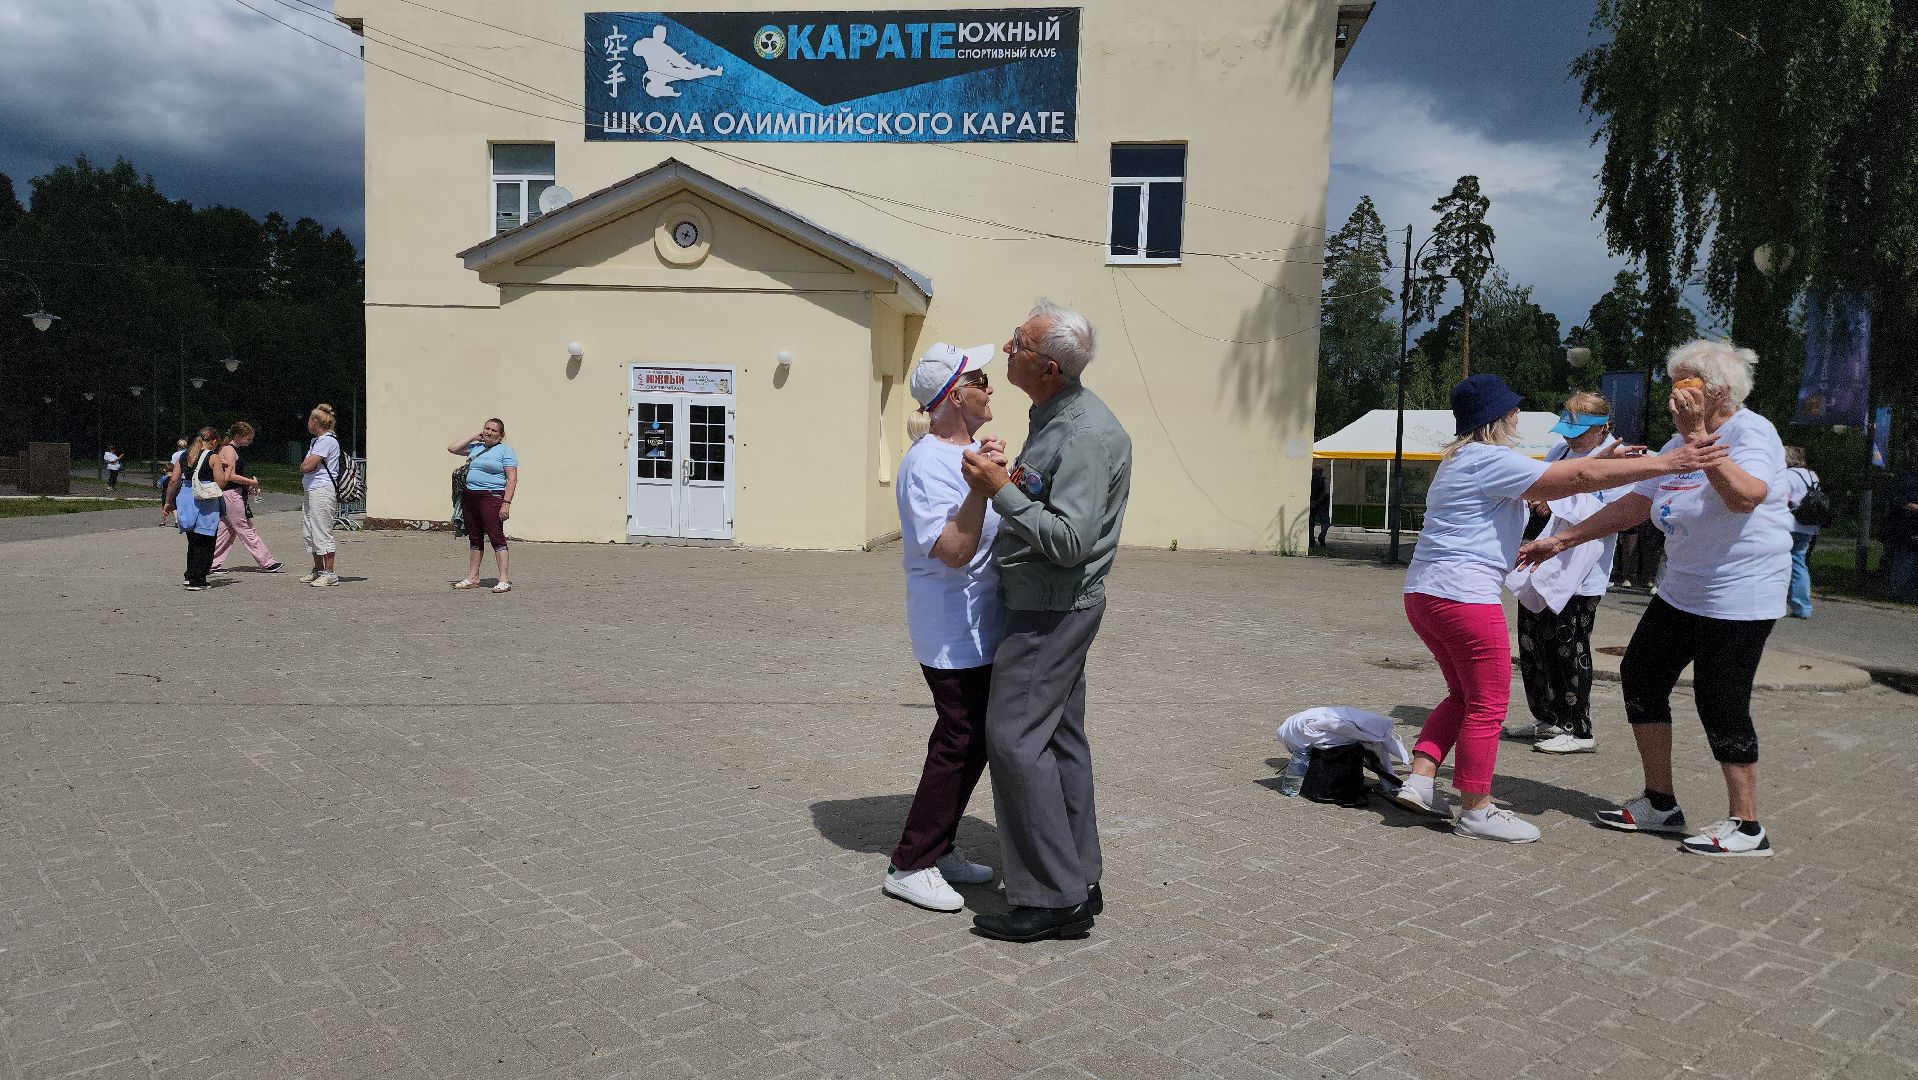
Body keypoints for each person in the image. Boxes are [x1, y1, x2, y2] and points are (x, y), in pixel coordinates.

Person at [1390, 373, 1725, 844]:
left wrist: (1601, 458)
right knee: (1488, 705)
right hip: (1464, 596)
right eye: (1513, 409)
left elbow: (1555, 481)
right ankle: (1476, 809)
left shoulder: (1462, 459)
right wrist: (1669, 462)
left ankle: (1421, 780)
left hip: (1425, 594)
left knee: (1463, 695)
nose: (1517, 415)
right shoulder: (1490, 459)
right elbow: (1576, 480)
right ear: (1500, 416)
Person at [1520, 340, 1793, 857]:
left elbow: (1744, 497)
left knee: (1721, 699)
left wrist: (1697, 437)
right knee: (1642, 676)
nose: (1675, 393)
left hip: (1738, 594)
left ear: (1717, 391)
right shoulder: (1679, 439)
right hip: (1682, 589)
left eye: (1685, 383)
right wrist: (1562, 539)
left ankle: (1747, 824)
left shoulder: (1751, 432)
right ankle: (1660, 801)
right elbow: (1636, 505)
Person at [958, 299, 1131, 943]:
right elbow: (1050, 496)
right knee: (1058, 738)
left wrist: (998, 489)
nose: (1007, 349)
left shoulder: (1083, 432)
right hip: (1051, 603)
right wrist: (1010, 477)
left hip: (1049, 608)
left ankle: (1049, 897)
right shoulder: (1059, 416)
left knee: (1013, 739)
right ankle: (1077, 876)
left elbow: (1067, 542)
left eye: (1018, 344)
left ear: (1049, 366)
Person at [881, 342, 1009, 913]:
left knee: (975, 737)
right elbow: (953, 551)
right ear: (956, 395)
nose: (990, 388)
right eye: (981, 380)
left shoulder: (966, 453)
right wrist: (984, 488)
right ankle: (911, 862)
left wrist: (1001, 476)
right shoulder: (927, 463)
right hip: (950, 627)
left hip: (980, 621)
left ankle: (939, 843)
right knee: (959, 739)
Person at [1508, 392, 1633, 754]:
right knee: (1533, 643)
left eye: (1578, 432)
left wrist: (1554, 501)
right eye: (1566, 430)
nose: (1569, 438)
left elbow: (1612, 513)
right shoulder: (1560, 452)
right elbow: (1542, 483)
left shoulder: (1622, 458)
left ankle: (1579, 728)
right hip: (1543, 561)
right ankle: (1547, 717)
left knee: (1568, 645)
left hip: (1582, 571)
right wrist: (1537, 499)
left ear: (1603, 428)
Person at [446, 419, 518, 592]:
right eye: (487, 428)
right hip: (470, 497)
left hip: (492, 496)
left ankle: (504, 579)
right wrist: (473, 437)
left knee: (496, 536)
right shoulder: (476, 447)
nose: (489, 432)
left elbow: (512, 478)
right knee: (475, 537)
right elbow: (452, 448)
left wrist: (506, 504)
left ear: (500, 435)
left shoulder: (505, 451)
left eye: (494, 430)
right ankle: (473, 577)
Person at [210, 422, 282, 574]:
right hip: (231, 495)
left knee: (227, 530)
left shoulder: (228, 449)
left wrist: (247, 486)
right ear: (237, 436)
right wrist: (252, 482)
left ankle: (211, 563)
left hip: (230, 494)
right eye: (248, 439)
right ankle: (267, 562)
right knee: (246, 528)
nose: (250, 442)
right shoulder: (229, 450)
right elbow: (230, 476)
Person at [174, 426, 232, 591]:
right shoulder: (213, 457)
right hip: (205, 501)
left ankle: (190, 575)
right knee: (205, 540)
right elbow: (221, 482)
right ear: (214, 441)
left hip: (186, 498)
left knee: (192, 540)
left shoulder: (184, 456)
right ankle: (198, 580)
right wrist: (227, 470)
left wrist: (168, 502)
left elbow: (174, 480)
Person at [298, 404, 343, 587]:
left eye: (310, 419)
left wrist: (305, 466)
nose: (308, 423)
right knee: (309, 530)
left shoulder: (326, 440)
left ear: (315, 421)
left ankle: (330, 573)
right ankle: (318, 569)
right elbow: (308, 465)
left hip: (322, 490)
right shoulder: (316, 441)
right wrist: (306, 466)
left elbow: (307, 466)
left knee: (321, 530)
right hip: (312, 489)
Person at [1781, 446, 1819, 618]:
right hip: (1809, 525)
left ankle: (1779, 601)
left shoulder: (1787, 476)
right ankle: (1803, 605)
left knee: (1780, 562)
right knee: (1799, 562)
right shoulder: (1812, 475)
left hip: (1790, 524)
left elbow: (1782, 498)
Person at [1881, 467, 1918, 603]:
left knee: (1908, 561)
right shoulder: (1908, 480)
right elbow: (1898, 500)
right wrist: (1912, 506)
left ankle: (1906, 593)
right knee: (1905, 559)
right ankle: (1899, 593)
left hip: (1909, 528)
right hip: (1906, 529)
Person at [159, 436, 189, 526]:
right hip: (186, 478)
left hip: (176, 477)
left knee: (171, 499)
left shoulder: (175, 455)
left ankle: (164, 520)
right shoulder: (189, 454)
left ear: (178, 446)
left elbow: (172, 467)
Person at [1310, 465, 1332, 548]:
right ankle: (1322, 536)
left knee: (1311, 523)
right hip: (1322, 504)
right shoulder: (1325, 480)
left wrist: (1312, 502)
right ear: (1321, 471)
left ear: (1313, 471)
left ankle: (1311, 542)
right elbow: (1326, 492)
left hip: (1312, 504)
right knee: (1325, 522)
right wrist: (1318, 501)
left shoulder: (1310, 480)